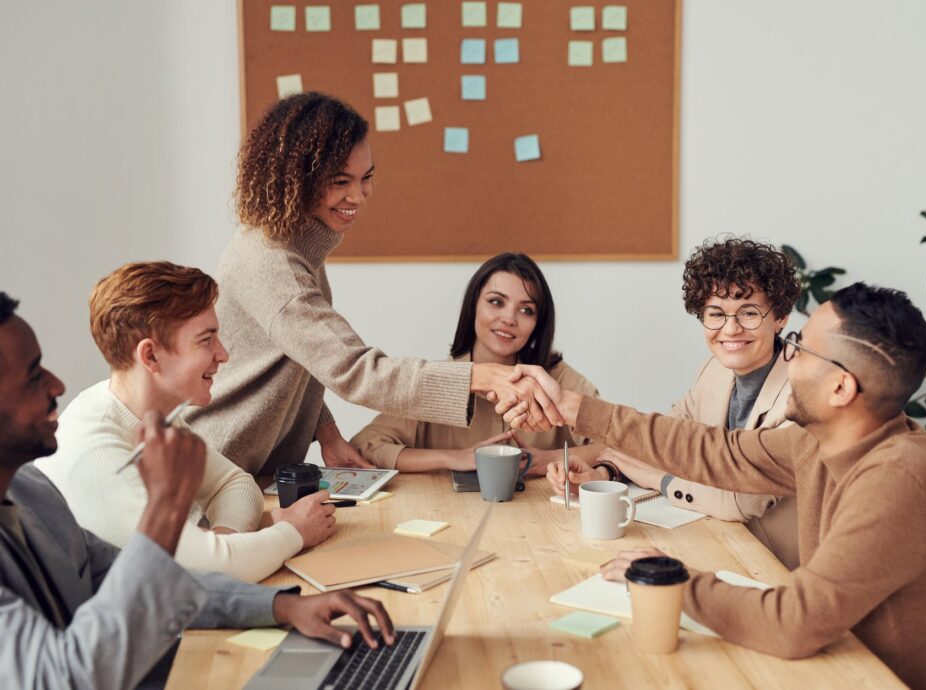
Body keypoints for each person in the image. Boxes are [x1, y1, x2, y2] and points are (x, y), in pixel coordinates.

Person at [507, 283, 926, 690]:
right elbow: (718, 452)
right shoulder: (819, 441)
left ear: (841, 387)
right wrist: (574, 408)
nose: (787, 356)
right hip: (832, 662)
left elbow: (793, 623)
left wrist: (672, 581)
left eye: (800, 347)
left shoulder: (898, 479)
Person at [0, 292, 394, 690]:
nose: (57, 384)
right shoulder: (94, 447)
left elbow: (157, 582)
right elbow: (65, 680)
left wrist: (283, 606)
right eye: (34, 375)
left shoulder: (32, 492)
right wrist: (166, 508)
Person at [185, 92, 559, 476]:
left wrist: (327, 432)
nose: (358, 196)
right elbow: (356, 370)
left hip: (250, 472)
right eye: (340, 181)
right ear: (297, 179)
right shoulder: (273, 263)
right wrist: (478, 376)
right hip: (216, 469)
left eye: (366, 178)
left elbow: (303, 357)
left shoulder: (295, 246)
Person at [35, 263, 335, 582]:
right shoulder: (96, 451)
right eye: (206, 341)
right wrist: (292, 532)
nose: (223, 355)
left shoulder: (150, 413)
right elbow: (210, 573)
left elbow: (234, 484)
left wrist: (223, 542)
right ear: (150, 357)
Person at [547, 238, 802, 568]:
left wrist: (660, 480)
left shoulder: (801, 393)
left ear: (780, 317)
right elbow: (663, 440)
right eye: (716, 314)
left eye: (749, 313)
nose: (731, 329)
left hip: (776, 568)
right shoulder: (713, 371)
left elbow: (740, 502)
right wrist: (605, 471)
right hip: (715, 544)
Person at [351, 253, 602, 475]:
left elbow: (620, 444)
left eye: (526, 310)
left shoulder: (558, 380)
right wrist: (453, 457)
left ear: (538, 323)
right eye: (496, 302)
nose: (509, 319)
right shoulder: (438, 381)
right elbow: (366, 446)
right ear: (473, 307)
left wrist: (551, 459)